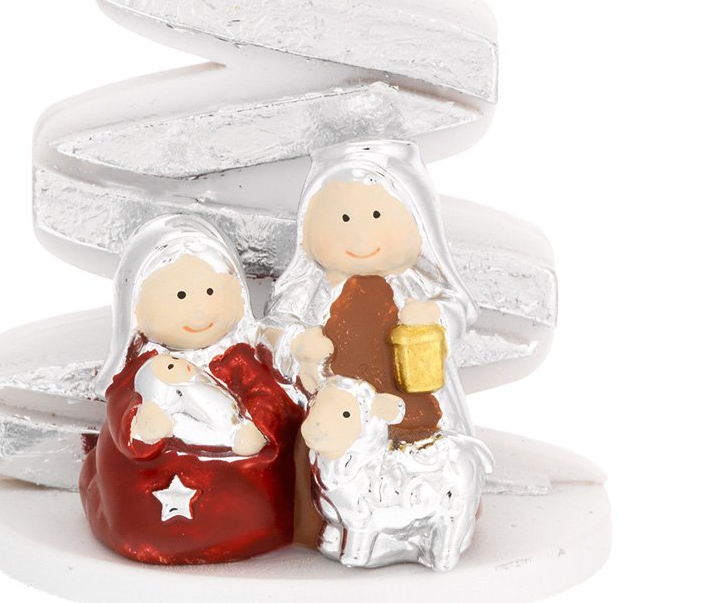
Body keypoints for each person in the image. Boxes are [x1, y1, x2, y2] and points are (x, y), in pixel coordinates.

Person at [263, 139, 479, 547]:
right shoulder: (311, 288)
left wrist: (433, 315)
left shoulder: (414, 283)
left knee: (421, 463)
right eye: (343, 218)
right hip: (334, 410)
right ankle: (335, 523)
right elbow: (272, 331)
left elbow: (455, 311)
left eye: (377, 215)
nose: (360, 236)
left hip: (408, 403)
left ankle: (419, 523)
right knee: (328, 468)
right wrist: (297, 344)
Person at [79, 214, 303, 565]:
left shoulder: (239, 359)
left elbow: (272, 401)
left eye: (211, 292)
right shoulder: (144, 369)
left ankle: (252, 527)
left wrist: (259, 427)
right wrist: (143, 425)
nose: (199, 310)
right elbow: (123, 412)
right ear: (137, 306)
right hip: (150, 502)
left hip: (242, 497)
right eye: (181, 295)